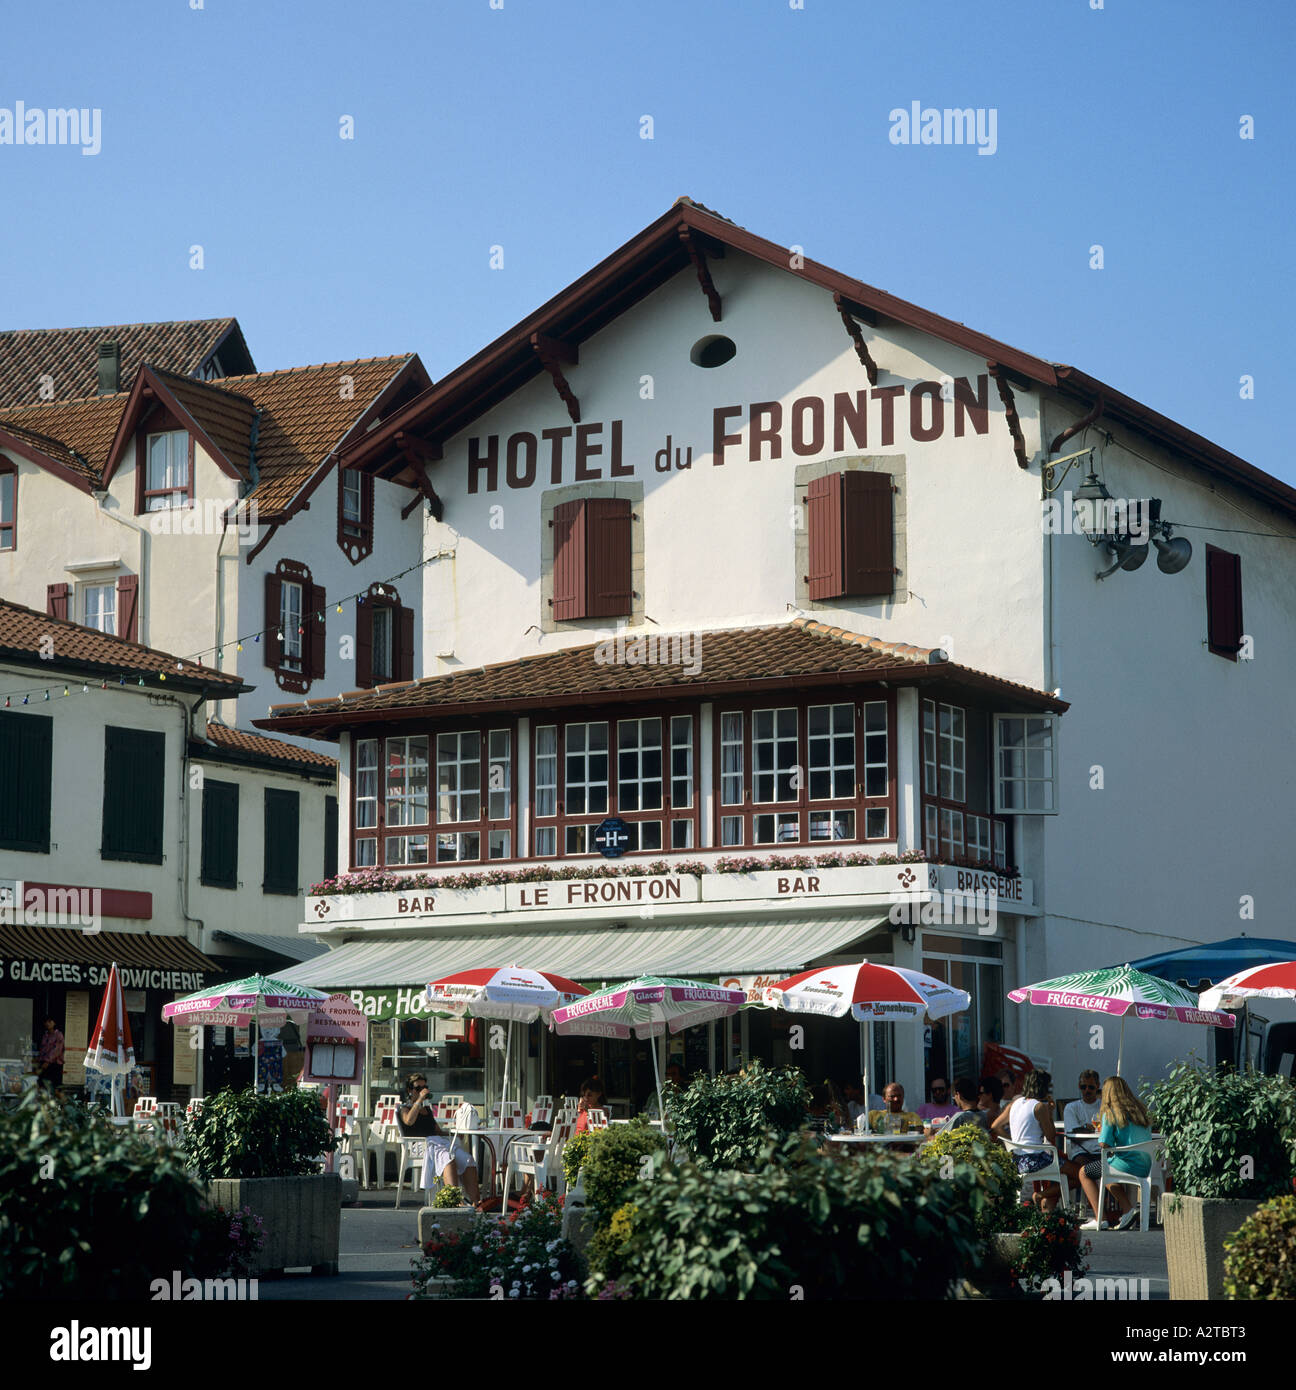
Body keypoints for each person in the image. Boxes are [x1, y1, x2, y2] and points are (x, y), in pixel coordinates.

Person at [1075, 1076, 1152, 1232]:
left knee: (1084, 1172)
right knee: (1107, 1174)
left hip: (1126, 1163)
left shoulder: (1110, 1113)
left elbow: (1103, 1143)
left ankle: (1100, 1219)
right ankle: (1128, 1210)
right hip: (1145, 1165)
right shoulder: (1140, 1111)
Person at [400, 1073, 479, 1204]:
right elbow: (408, 1121)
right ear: (410, 1090)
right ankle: (455, 1200)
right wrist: (418, 1101)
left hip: (438, 1143)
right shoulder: (405, 1108)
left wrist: (453, 1133)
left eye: (424, 1087)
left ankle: (476, 1201)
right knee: (448, 1158)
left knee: (468, 1159)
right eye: (418, 1088)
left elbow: (438, 1131)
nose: (422, 1091)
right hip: (422, 1146)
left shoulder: (427, 1110)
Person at [991, 1069, 1061, 1211]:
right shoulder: (1039, 1107)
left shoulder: (1014, 1103)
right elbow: (1051, 1136)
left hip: (1016, 1159)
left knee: (1062, 1167)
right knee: (1076, 1173)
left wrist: (1013, 1142)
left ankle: (1044, 1201)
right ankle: (1041, 1196)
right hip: (1034, 1160)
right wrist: (1050, 1113)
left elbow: (995, 1126)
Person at [1059, 1069, 1102, 1187]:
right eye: (1083, 1087)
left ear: (1098, 1086)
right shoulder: (1071, 1107)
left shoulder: (1105, 1106)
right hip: (1082, 1152)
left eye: (1091, 1087)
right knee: (1086, 1173)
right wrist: (1086, 1128)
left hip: (1102, 1151)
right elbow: (1073, 1134)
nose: (1087, 1090)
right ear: (1079, 1086)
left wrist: (1087, 1128)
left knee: (1113, 1172)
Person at [36, 1016, 64, 1091]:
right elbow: (42, 1049)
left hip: (54, 1064)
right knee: (43, 1085)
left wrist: (47, 1061)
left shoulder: (58, 1035)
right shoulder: (45, 1035)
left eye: (50, 1022)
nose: (48, 1024)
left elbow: (56, 1050)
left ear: (54, 1023)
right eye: (46, 1022)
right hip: (44, 1064)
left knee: (54, 1086)